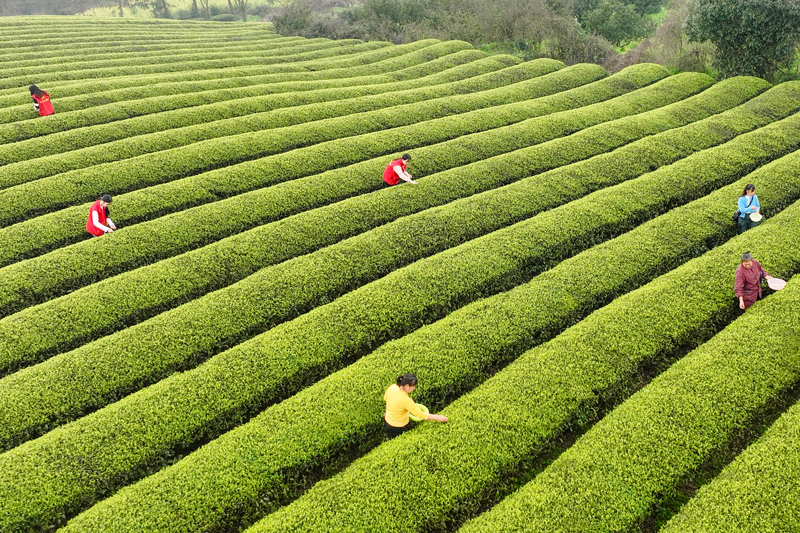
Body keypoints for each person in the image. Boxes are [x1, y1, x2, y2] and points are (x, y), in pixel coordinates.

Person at [383, 373, 447, 439]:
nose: (414, 388)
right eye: (413, 386)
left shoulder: (392, 387)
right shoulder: (407, 401)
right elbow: (420, 415)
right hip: (399, 426)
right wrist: (438, 417)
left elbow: (385, 398)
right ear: (407, 386)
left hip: (387, 420)